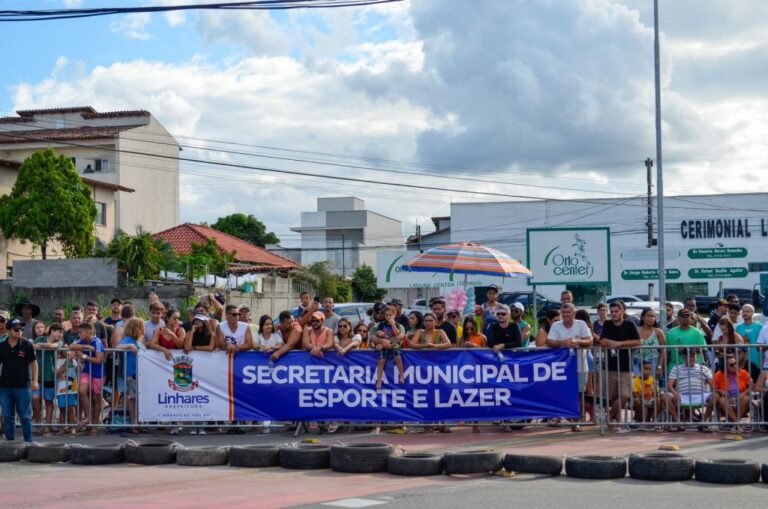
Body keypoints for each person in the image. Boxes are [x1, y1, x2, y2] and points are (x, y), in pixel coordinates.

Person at [547, 303, 592, 431]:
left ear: (574, 313)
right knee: (561, 394)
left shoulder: (581, 324)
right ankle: (563, 417)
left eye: (569, 312)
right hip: (561, 368)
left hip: (580, 366)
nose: (566, 315)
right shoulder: (556, 325)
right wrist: (563, 343)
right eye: (564, 312)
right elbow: (550, 342)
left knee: (580, 395)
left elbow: (589, 341)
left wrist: (577, 341)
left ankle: (576, 422)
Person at [599, 300, 641, 424]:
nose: (614, 314)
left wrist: (619, 344)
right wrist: (609, 342)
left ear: (623, 311)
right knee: (612, 397)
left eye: (616, 311)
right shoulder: (607, 324)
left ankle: (609, 416)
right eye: (611, 312)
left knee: (625, 395)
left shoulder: (629, 324)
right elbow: (603, 341)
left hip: (625, 367)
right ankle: (615, 421)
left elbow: (638, 342)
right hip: (610, 366)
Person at [0, 319, 38, 442]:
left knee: (25, 416)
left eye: (21, 329)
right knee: (7, 416)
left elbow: (34, 363)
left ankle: (29, 442)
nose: (19, 331)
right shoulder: (1, 346)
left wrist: (35, 381)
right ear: (8, 330)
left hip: (23, 386)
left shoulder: (27, 344)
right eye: (16, 329)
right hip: (5, 387)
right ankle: (9, 443)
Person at [662, 348, 715, 431]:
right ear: (684, 357)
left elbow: (712, 384)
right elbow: (669, 385)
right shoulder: (676, 368)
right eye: (689, 357)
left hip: (701, 396)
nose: (691, 359)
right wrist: (675, 393)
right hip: (682, 396)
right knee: (665, 396)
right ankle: (677, 422)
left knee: (715, 396)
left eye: (693, 356)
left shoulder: (704, 368)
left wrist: (713, 392)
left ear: (696, 357)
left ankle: (703, 422)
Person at [69, 322, 105, 432]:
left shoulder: (97, 341)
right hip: (86, 371)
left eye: (81, 332)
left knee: (96, 398)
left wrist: (83, 355)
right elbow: (71, 346)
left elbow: (99, 360)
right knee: (81, 391)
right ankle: (89, 417)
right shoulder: (83, 341)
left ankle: (94, 426)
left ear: (89, 332)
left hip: (99, 373)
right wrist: (84, 346)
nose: (79, 334)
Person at [32, 322, 62, 435]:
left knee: (49, 401)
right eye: (59, 332)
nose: (60, 334)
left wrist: (41, 346)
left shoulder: (60, 341)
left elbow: (54, 346)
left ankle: (47, 426)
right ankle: (38, 423)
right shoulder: (41, 338)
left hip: (51, 376)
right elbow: (32, 346)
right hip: (37, 376)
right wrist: (41, 345)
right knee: (35, 399)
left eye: (62, 332)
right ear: (52, 331)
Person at [116, 317, 143, 431]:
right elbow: (117, 347)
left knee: (135, 398)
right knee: (132, 398)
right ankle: (133, 423)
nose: (144, 329)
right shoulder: (128, 339)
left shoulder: (135, 340)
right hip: (130, 374)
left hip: (136, 373)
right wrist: (130, 346)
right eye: (142, 327)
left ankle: (136, 422)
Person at [713, 355, 752, 432]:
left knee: (746, 398)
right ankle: (737, 424)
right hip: (727, 400)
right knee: (722, 400)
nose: (735, 366)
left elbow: (751, 386)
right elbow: (714, 388)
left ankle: (735, 424)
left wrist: (744, 393)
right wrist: (721, 391)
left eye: (735, 363)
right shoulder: (718, 374)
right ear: (725, 366)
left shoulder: (743, 372)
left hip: (740, 399)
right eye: (731, 365)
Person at [373, 306, 406, 390]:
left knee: (398, 358)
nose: (388, 317)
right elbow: (377, 334)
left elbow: (397, 334)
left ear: (394, 315)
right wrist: (379, 334)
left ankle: (401, 375)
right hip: (384, 344)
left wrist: (393, 325)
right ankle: (379, 380)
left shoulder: (398, 325)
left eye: (390, 315)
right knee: (381, 361)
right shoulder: (381, 324)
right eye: (386, 315)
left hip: (394, 343)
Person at [635, 308, 667, 377]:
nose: (651, 318)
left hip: (653, 363)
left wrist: (660, 367)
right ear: (643, 317)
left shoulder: (658, 332)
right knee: (636, 385)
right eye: (648, 316)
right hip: (637, 362)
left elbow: (663, 350)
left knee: (651, 386)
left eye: (653, 316)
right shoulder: (636, 330)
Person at [736, 304, 763, 382]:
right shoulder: (738, 327)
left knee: (755, 386)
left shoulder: (759, 327)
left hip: (757, 361)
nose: (745, 313)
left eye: (747, 311)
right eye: (743, 311)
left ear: (752, 313)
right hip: (743, 362)